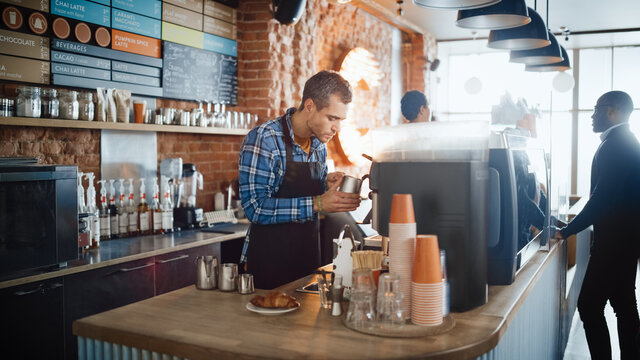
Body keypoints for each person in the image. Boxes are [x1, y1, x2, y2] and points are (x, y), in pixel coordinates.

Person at [238, 70, 361, 289]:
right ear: (310, 106)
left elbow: (302, 192)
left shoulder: (318, 146)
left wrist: (325, 185)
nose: (337, 128)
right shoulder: (264, 139)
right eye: (332, 118)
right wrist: (319, 202)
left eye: (340, 120)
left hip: (306, 263)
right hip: (268, 267)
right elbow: (255, 208)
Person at [555, 91, 640, 360]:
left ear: (613, 111)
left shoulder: (617, 145)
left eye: (597, 110)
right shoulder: (623, 142)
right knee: (623, 304)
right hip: (625, 241)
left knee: (590, 306)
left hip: (615, 244)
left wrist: (566, 231)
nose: (592, 116)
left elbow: (602, 199)